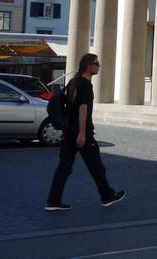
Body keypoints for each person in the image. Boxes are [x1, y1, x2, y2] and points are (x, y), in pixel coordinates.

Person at [45, 53, 126, 211]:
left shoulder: (73, 82)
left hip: (69, 131)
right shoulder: (85, 85)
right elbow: (83, 109)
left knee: (64, 167)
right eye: (96, 64)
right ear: (88, 66)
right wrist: (82, 133)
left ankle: (53, 201)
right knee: (96, 165)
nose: (98, 66)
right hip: (81, 132)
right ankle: (107, 196)